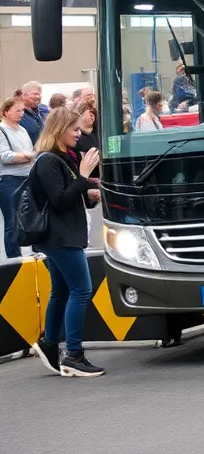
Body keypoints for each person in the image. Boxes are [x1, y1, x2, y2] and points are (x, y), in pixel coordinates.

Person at [29, 107, 104, 377]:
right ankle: (73, 353)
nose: (79, 134)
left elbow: (71, 195)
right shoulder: (48, 160)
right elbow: (59, 200)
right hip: (59, 235)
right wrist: (83, 176)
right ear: (60, 130)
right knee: (81, 289)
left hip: (65, 234)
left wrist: (90, 191)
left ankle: (50, 344)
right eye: (74, 129)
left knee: (61, 291)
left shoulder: (64, 158)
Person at [0, 97, 34, 260]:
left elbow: (30, 152)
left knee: (32, 216)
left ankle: (37, 250)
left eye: (22, 110)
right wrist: (28, 156)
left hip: (27, 177)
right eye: (18, 110)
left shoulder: (22, 130)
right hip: (9, 180)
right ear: (6, 112)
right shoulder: (2, 130)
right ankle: (14, 259)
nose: (22, 114)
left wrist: (28, 156)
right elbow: (5, 157)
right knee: (12, 221)